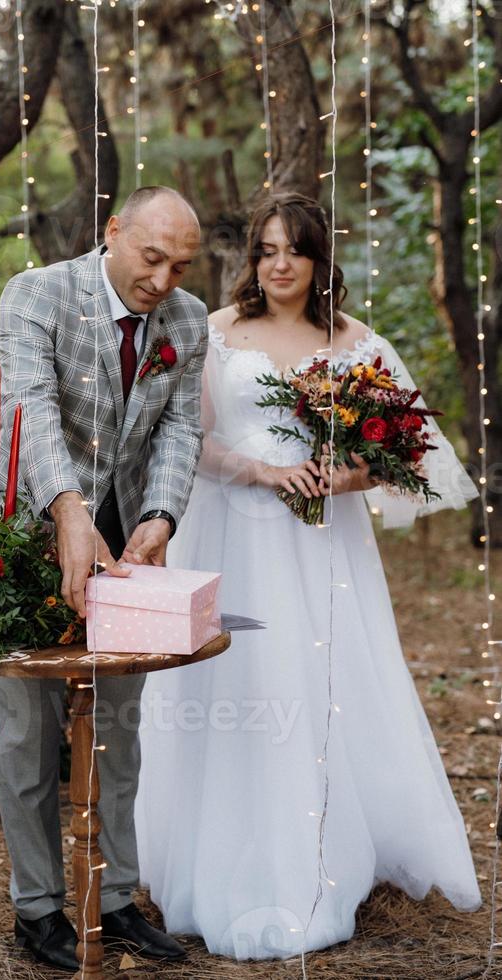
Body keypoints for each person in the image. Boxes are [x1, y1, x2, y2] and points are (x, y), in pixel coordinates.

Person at [135, 193, 482, 961]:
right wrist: (259, 469)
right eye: (265, 249)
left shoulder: (356, 343)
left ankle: (318, 850)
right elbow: (190, 438)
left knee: (315, 681)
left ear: (321, 260)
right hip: (227, 533)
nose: (279, 263)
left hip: (319, 546)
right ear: (252, 260)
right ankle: (207, 851)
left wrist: (338, 478)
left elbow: (406, 459)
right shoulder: (218, 333)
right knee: (228, 685)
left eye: (294, 249)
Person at [0, 186, 207, 971]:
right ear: (113, 232)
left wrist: (160, 517)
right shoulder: (37, 293)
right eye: (151, 257)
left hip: (127, 557)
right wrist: (66, 508)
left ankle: (118, 898)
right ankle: (38, 911)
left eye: (180, 265)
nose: (164, 280)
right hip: (19, 538)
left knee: (119, 730)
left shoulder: (189, 322)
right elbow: (26, 405)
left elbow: (180, 426)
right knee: (28, 736)